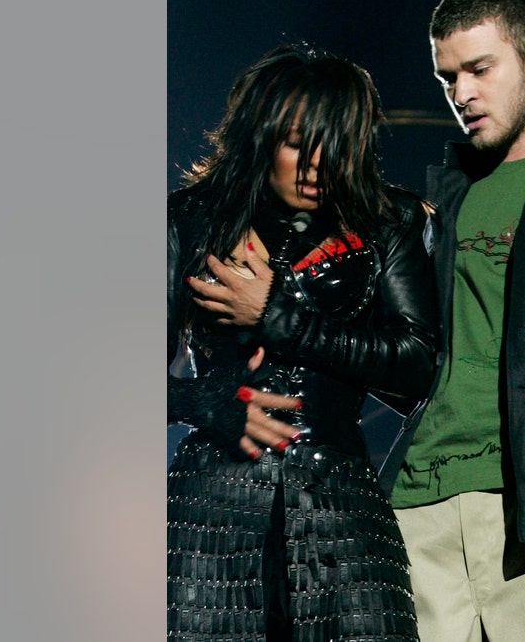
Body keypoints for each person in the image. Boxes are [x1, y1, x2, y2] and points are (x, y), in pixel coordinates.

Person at [166, 44, 439, 641]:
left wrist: (279, 316)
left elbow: (419, 366)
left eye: (333, 144)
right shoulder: (190, 220)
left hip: (343, 512)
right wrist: (205, 404)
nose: (316, 165)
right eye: (296, 143)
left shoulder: (387, 220)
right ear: (260, 138)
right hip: (213, 515)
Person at [381, 0, 525, 641]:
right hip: (419, 504)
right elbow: (416, 355)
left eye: (479, 69)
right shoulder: (442, 201)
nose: (462, 94)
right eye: (448, 79)